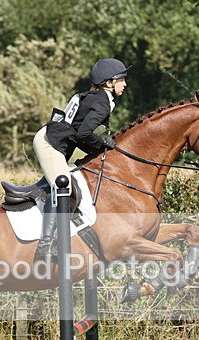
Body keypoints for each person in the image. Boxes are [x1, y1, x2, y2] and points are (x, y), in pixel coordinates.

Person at [32, 58, 130, 261]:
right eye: (121, 80)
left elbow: (79, 134)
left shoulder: (94, 97)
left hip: (53, 140)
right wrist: (104, 144)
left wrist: (101, 146)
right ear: (108, 82)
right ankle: (45, 246)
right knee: (63, 187)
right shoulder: (102, 102)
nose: (125, 84)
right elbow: (85, 134)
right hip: (49, 143)